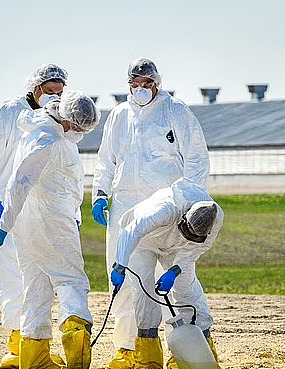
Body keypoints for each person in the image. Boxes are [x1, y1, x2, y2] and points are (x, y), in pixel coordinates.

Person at [91, 57, 210, 369]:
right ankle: (129, 349)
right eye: (135, 85)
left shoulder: (176, 111)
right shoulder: (118, 115)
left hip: (168, 209)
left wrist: (192, 200)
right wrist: (100, 194)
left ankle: (186, 350)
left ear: (158, 83)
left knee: (178, 281)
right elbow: (106, 160)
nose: (141, 89)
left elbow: (196, 157)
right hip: (125, 211)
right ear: (128, 85)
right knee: (129, 281)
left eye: (147, 84)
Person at [0, 91, 100, 369]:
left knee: (36, 287)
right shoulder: (48, 140)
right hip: (53, 221)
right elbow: (19, 184)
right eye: (77, 127)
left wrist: (9, 225)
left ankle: (35, 357)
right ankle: (77, 350)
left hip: (29, 225)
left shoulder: (40, 132)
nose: (78, 133)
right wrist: (3, 224)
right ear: (67, 119)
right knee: (71, 281)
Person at [0, 63, 68, 369]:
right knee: (12, 276)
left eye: (59, 92)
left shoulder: (54, 117)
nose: (54, 97)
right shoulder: (7, 114)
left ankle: (36, 342)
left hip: (41, 212)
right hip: (7, 210)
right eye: (49, 91)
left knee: (40, 279)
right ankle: (17, 346)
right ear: (35, 88)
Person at [109, 177, 223, 369]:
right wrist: (120, 266)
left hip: (180, 248)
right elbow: (131, 232)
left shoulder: (216, 217)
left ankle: (202, 353)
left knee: (188, 292)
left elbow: (196, 249)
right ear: (184, 216)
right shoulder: (164, 209)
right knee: (144, 292)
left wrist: (175, 270)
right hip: (144, 243)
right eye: (187, 231)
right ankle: (148, 358)